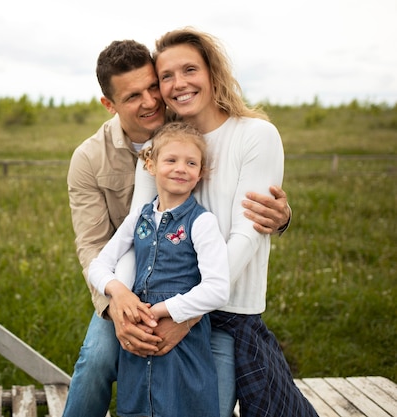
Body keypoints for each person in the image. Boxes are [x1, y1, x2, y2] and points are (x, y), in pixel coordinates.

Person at [64, 39, 291, 417]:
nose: (152, 100)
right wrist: (122, 303)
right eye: (134, 95)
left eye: (154, 86)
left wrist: (283, 217)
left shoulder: (181, 131)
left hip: (202, 297)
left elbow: (247, 215)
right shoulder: (93, 158)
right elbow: (97, 245)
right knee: (97, 358)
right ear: (110, 104)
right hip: (131, 287)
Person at [126, 26, 318, 417]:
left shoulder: (256, 136)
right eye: (166, 76)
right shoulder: (159, 147)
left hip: (227, 314)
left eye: (189, 70)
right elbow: (137, 227)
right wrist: (130, 307)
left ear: (212, 72)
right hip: (159, 308)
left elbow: (247, 234)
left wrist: (188, 312)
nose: (179, 83)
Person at [88, 121, 230, 417]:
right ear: (150, 165)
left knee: (181, 407)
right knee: (139, 405)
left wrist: (162, 310)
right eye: (171, 160)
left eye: (191, 162)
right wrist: (119, 292)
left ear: (200, 172)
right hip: (139, 341)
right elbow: (99, 265)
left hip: (182, 341)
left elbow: (217, 289)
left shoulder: (201, 222)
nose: (181, 168)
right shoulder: (138, 218)